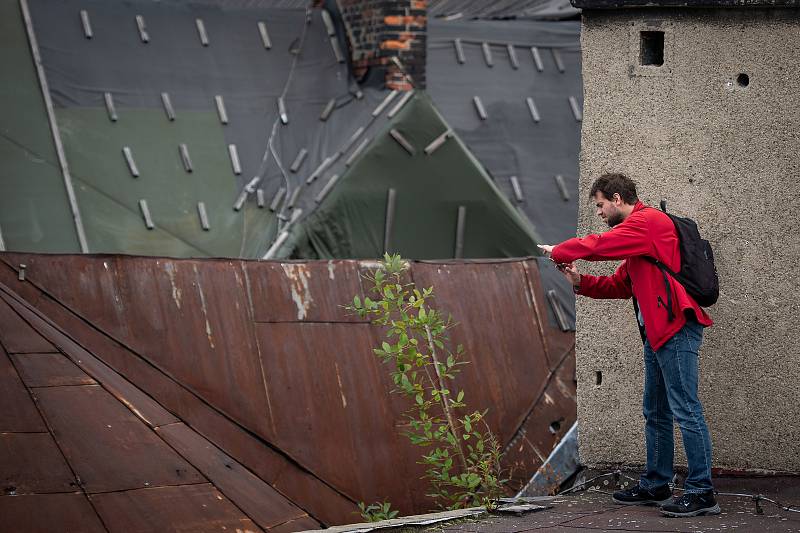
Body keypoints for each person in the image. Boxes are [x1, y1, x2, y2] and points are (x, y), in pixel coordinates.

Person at [538, 173, 720, 518]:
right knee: (656, 411)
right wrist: (578, 281)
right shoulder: (639, 242)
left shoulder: (647, 223)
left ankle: (701, 491)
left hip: (677, 328)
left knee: (686, 409)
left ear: (618, 198)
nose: (599, 213)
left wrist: (559, 251)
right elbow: (620, 284)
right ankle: (656, 483)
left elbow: (599, 246)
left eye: (601, 205)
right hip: (657, 334)